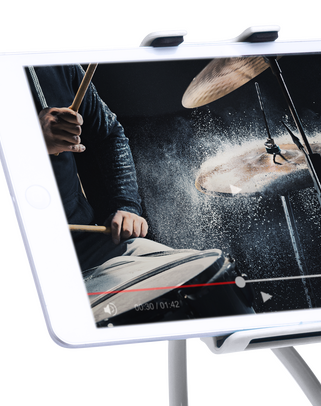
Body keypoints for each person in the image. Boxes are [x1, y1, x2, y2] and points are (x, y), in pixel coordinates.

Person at [27, 65, 254, 325]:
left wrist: (126, 205)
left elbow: (110, 135)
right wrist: (28, 142)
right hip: (34, 260)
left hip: (86, 245)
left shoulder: (57, 66)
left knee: (207, 278)